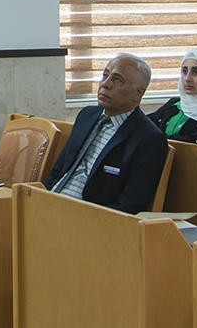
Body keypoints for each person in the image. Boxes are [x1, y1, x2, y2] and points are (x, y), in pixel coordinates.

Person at [42, 54, 170, 215]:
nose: (105, 84)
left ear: (138, 93)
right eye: (105, 75)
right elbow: (57, 172)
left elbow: (129, 205)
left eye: (117, 80)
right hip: (50, 205)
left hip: (89, 218)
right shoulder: (87, 116)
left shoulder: (149, 139)